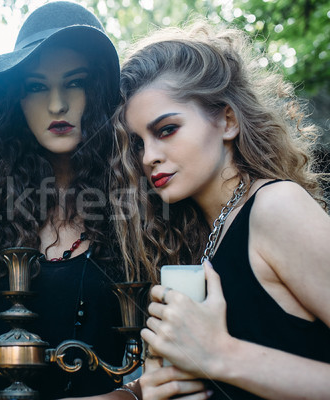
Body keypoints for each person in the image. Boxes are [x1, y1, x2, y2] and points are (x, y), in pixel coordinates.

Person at [0, 2, 146, 399]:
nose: (57, 104)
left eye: (75, 83)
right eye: (36, 86)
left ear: (99, 94)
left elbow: (165, 372)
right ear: (17, 101)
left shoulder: (137, 216)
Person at [111, 20, 330, 400]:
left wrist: (221, 355)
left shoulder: (276, 207)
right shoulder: (204, 236)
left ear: (227, 120)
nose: (149, 157)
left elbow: (223, 358)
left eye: (166, 130)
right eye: (137, 143)